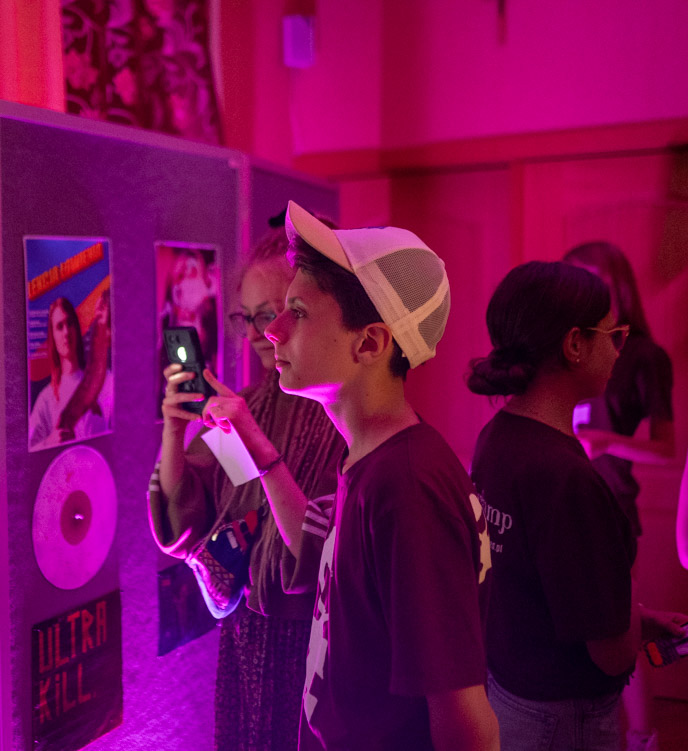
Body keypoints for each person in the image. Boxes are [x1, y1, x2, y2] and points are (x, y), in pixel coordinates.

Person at [261, 201, 497, 750]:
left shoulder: (407, 486)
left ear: (370, 342)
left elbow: (464, 718)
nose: (272, 330)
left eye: (298, 312)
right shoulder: (372, 460)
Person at [467, 261, 686, 751]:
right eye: (613, 336)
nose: (618, 349)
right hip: (562, 719)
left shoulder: (495, 438)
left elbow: (540, 588)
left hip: (510, 691)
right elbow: (612, 655)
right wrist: (625, 616)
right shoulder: (568, 479)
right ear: (574, 345)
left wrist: (634, 615)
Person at [147, 225, 345, 751]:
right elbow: (198, 510)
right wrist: (174, 430)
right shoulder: (251, 406)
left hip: (313, 644)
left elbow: (323, 550)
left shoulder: (341, 415)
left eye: (273, 313)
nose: (260, 333)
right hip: (245, 638)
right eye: (247, 317)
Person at [562, 242, 675, 751]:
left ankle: (643, 739)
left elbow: (667, 450)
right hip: (560, 503)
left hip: (611, 507)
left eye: (591, 280)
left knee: (619, 626)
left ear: (617, 286)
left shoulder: (645, 356)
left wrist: (605, 443)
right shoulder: (568, 347)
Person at [29, 296, 113, 450]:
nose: (66, 332)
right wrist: (49, 442)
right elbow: (29, 448)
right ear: (53, 336)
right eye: (59, 327)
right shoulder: (45, 400)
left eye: (70, 323)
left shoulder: (106, 381)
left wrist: (104, 321)